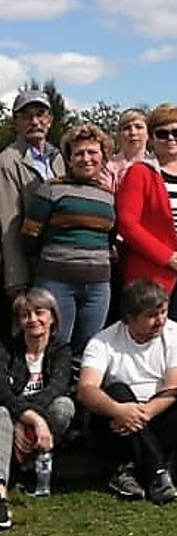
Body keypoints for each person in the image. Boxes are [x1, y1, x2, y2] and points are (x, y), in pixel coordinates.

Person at [76, 280, 177, 505]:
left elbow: (175, 385)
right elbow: (86, 389)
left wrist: (139, 416)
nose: (160, 320)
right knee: (116, 390)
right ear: (129, 318)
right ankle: (157, 472)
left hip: (155, 415)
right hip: (116, 421)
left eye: (163, 312)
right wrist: (119, 410)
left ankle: (132, 469)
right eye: (151, 316)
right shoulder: (103, 341)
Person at [23, 122, 116, 363]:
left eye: (92, 152)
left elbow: (110, 237)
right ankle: (53, 398)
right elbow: (30, 236)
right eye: (79, 153)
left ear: (104, 156)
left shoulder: (109, 195)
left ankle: (79, 397)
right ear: (69, 158)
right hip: (56, 282)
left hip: (97, 287)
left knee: (89, 349)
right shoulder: (51, 189)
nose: (86, 158)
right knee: (54, 345)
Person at [115, 105, 177, 329]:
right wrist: (168, 257)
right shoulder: (140, 172)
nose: (170, 138)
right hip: (152, 275)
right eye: (162, 133)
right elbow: (127, 225)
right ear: (151, 138)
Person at [0, 289, 74, 507]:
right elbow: (3, 392)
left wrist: (32, 420)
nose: (33, 320)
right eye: (25, 315)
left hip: (42, 418)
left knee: (63, 406)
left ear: (52, 317)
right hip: (12, 416)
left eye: (39, 313)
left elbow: (56, 389)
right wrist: (30, 419)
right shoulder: (6, 349)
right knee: (0, 413)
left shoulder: (61, 351)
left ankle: (35, 464)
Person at [0, 87, 66, 301]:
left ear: (50, 120)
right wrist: (15, 277)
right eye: (26, 116)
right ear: (16, 122)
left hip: (59, 262)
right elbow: (9, 222)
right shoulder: (8, 161)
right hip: (31, 266)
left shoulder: (58, 156)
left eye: (40, 114)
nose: (34, 122)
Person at [103, 108, 149, 192]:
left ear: (148, 133)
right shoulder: (109, 167)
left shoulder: (156, 165)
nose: (133, 132)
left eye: (139, 127)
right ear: (119, 134)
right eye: (126, 128)